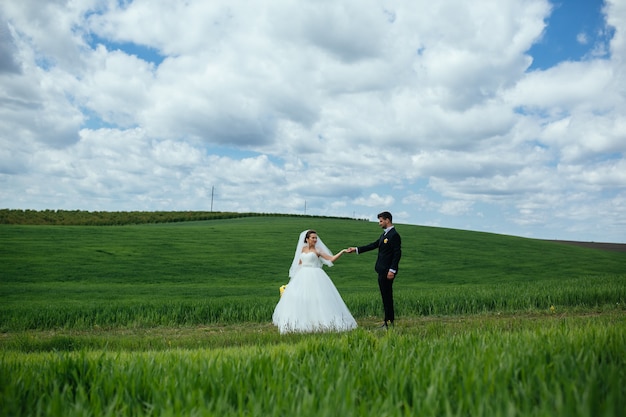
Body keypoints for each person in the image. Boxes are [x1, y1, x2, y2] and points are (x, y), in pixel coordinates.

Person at [272, 229, 357, 334]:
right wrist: (294, 279)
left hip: (316, 275)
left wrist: (342, 251)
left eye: (316, 238)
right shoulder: (302, 249)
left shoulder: (318, 250)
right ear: (307, 239)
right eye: (313, 238)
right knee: (302, 298)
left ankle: (320, 322)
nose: (315, 239)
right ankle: (300, 321)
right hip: (302, 275)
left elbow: (331, 259)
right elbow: (299, 263)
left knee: (318, 298)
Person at [347, 211, 401, 329]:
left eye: (381, 221)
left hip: (387, 272)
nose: (379, 223)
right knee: (384, 296)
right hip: (381, 270)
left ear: (387, 220)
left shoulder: (394, 235)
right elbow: (373, 245)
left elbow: (397, 254)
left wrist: (392, 270)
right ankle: (388, 321)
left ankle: (388, 323)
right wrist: (356, 249)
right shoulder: (384, 235)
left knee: (387, 297)